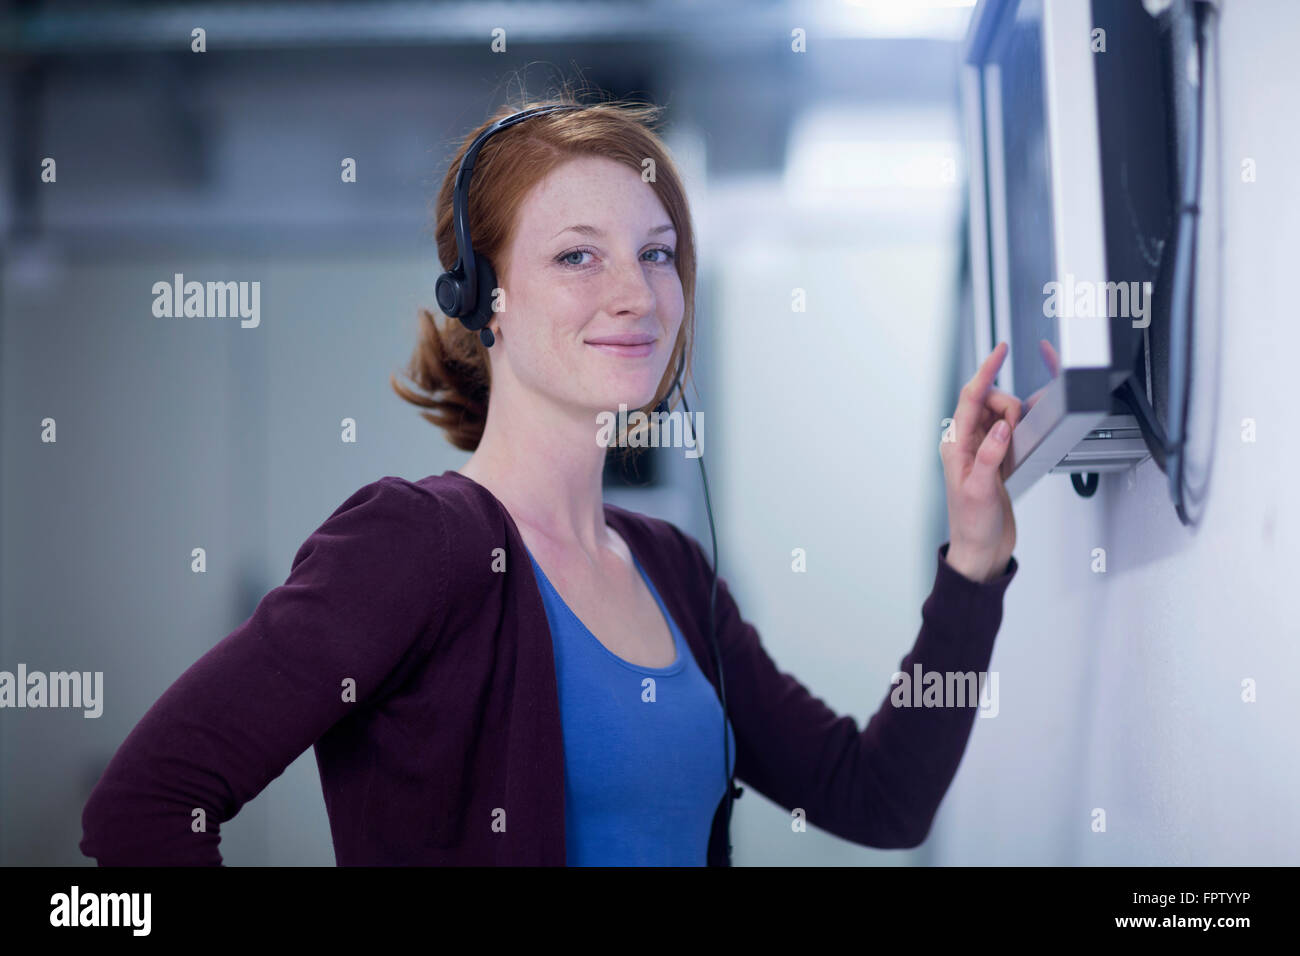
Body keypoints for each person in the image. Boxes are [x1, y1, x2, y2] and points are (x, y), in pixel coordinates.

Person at [80, 95, 1022, 867]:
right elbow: (146, 808)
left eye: (657, 253)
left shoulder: (673, 571)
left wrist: (975, 560)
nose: (635, 292)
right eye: (578, 255)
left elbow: (879, 800)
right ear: (482, 300)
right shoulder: (416, 544)